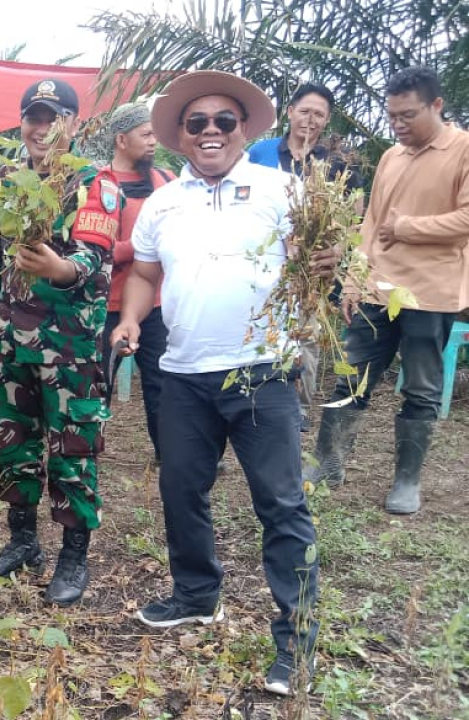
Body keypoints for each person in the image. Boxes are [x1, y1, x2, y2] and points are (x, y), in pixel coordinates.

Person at [110, 71, 335, 696]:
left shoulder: (283, 189)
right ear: (181, 135)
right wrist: (130, 318)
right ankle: (196, 593)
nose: (210, 132)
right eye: (197, 123)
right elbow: (145, 276)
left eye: (224, 122)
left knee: (281, 504)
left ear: (243, 129)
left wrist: (328, 263)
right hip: (182, 373)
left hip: (263, 370)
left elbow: (320, 260)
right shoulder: (163, 202)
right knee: (181, 488)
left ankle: (298, 637)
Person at [0, 78, 118, 606]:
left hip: (68, 346)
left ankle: (74, 554)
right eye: (33, 116)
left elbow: (95, 255)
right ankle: (22, 540)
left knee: (72, 447)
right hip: (11, 340)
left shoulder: (93, 183)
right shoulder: (7, 181)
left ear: (74, 125)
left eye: (53, 117)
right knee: (13, 440)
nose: (41, 127)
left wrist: (60, 268)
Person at [308, 66, 469, 514]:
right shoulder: (391, 157)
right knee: (351, 375)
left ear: (437, 106)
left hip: (430, 293)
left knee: (419, 389)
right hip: (378, 289)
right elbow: (372, 225)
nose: (398, 125)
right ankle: (327, 464)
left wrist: (409, 227)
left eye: (408, 115)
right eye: (392, 115)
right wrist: (355, 282)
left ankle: (406, 481)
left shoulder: (463, 150)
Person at [248, 82, 366, 430]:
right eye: (305, 111)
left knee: (307, 334)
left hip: (313, 265)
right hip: (264, 257)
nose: (310, 120)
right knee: (261, 325)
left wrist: (337, 250)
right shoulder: (260, 153)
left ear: (326, 120)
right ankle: (254, 396)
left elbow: (354, 215)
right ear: (289, 112)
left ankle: (298, 406)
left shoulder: (338, 162)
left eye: (319, 114)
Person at [87, 102, 174, 463]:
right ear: (121, 139)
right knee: (96, 385)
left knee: (163, 385)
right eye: (146, 134)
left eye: (155, 134)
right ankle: (86, 453)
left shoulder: (167, 181)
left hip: (154, 306)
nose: (153, 142)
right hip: (106, 307)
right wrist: (136, 248)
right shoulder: (98, 184)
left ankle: (169, 452)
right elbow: (92, 248)